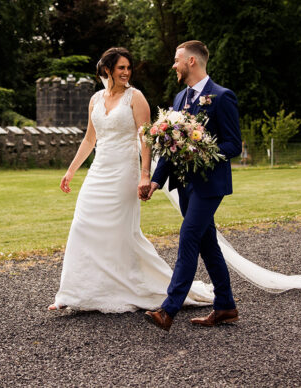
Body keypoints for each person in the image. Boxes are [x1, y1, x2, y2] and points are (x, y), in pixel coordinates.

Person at [48, 47, 215, 312]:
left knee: (120, 233)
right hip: (98, 172)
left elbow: (145, 138)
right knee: (82, 225)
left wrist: (145, 174)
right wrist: (71, 170)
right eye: (121, 68)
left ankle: (142, 288)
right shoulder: (94, 99)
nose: (126, 73)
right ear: (107, 70)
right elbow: (90, 139)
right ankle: (74, 293)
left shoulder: (135, 97)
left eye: (128, 68)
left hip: (124, 173)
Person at [143, 40, 241, 331]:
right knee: (207, 245)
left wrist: (202, 152)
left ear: (192, 62)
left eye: (177, 60)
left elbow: (233, 144)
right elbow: (170, 147)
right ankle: (225, 307)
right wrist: (156, 180)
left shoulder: (222, 97)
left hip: (210, 185)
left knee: (188, 237)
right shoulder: (178, 100)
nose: (173, 64)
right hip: (185, 186)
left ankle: (169, 310)